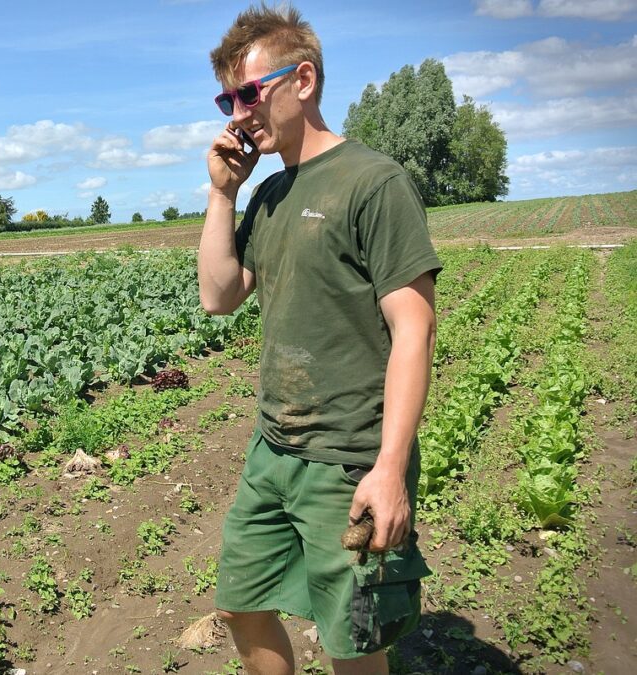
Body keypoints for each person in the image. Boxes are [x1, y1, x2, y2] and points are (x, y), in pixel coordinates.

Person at [197, 5, 442, 675]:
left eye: (249, 92)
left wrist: (389, 467)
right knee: (240, 605)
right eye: (228, 98)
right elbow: (218, 296)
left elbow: (414, 329)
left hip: (349, 460)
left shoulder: (374, 182)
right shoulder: (268, 194)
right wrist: (223, 194)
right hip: (272, 450)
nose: (238, 111)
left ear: (302, 80)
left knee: (352, 642)